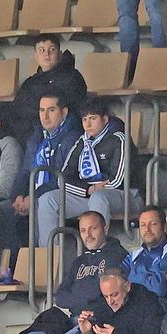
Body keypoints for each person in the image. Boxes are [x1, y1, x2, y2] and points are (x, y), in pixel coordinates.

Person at [39, 98, 131, 243]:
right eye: (84, 119)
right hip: (89, 194)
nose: (87, 124)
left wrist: (96, 190)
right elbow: (62, 179)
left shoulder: (119, 139)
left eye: (93, 118)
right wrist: (88, 189)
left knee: (98, 197)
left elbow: (119, 180)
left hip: (124, 195)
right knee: (47, 200)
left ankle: (98, 252)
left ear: (105, 119)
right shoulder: (82, 142)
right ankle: (50, 257)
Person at [13, 93, 80, 236]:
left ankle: (48, 256)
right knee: (3, 209)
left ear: (64, 112)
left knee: (42, 203)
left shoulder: (73, 137)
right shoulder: (37, 137)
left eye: (51, 110)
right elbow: (25, 171)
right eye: (41, 110)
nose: (45, 116)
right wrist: (18, 196)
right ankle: (13, 258)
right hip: (33, 195)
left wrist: (33, 197)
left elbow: (61, 177)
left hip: (62, 195)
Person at [7, 34, 87, 143]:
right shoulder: (30, 82)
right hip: (32, 131)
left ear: (59, 54)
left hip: (63, 131)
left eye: (52, 49)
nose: (47, 54)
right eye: (42, 50)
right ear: (36, 56)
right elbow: (19, 107)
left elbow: (67, 106)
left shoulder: (72, 77)